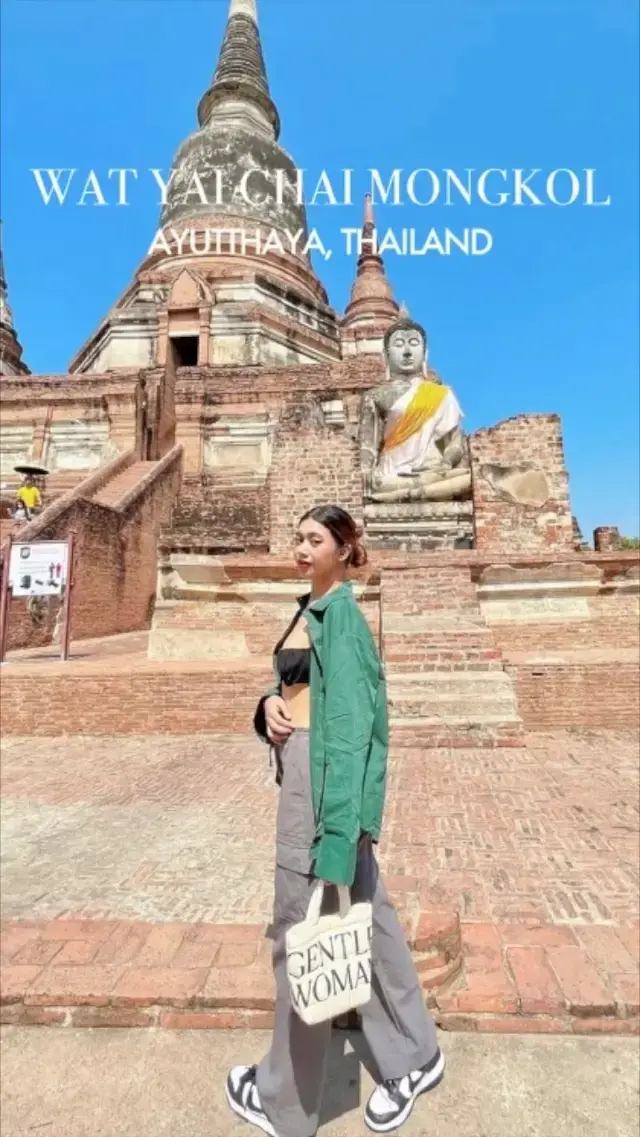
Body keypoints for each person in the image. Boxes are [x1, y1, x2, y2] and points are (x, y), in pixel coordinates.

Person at [226, 504, 444, 1137]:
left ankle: (282, 1101)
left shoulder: (343, 619)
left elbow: (353, 734)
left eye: (314, 539)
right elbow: (291, 687)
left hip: (322, 794)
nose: (300, 546)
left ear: (346, 548)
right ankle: (414, 1057)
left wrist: (341, 832)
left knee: (301, 936)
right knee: (368, 922)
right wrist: (267, 705)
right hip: (305, 774)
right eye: (298, 537)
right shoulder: (309, 608)